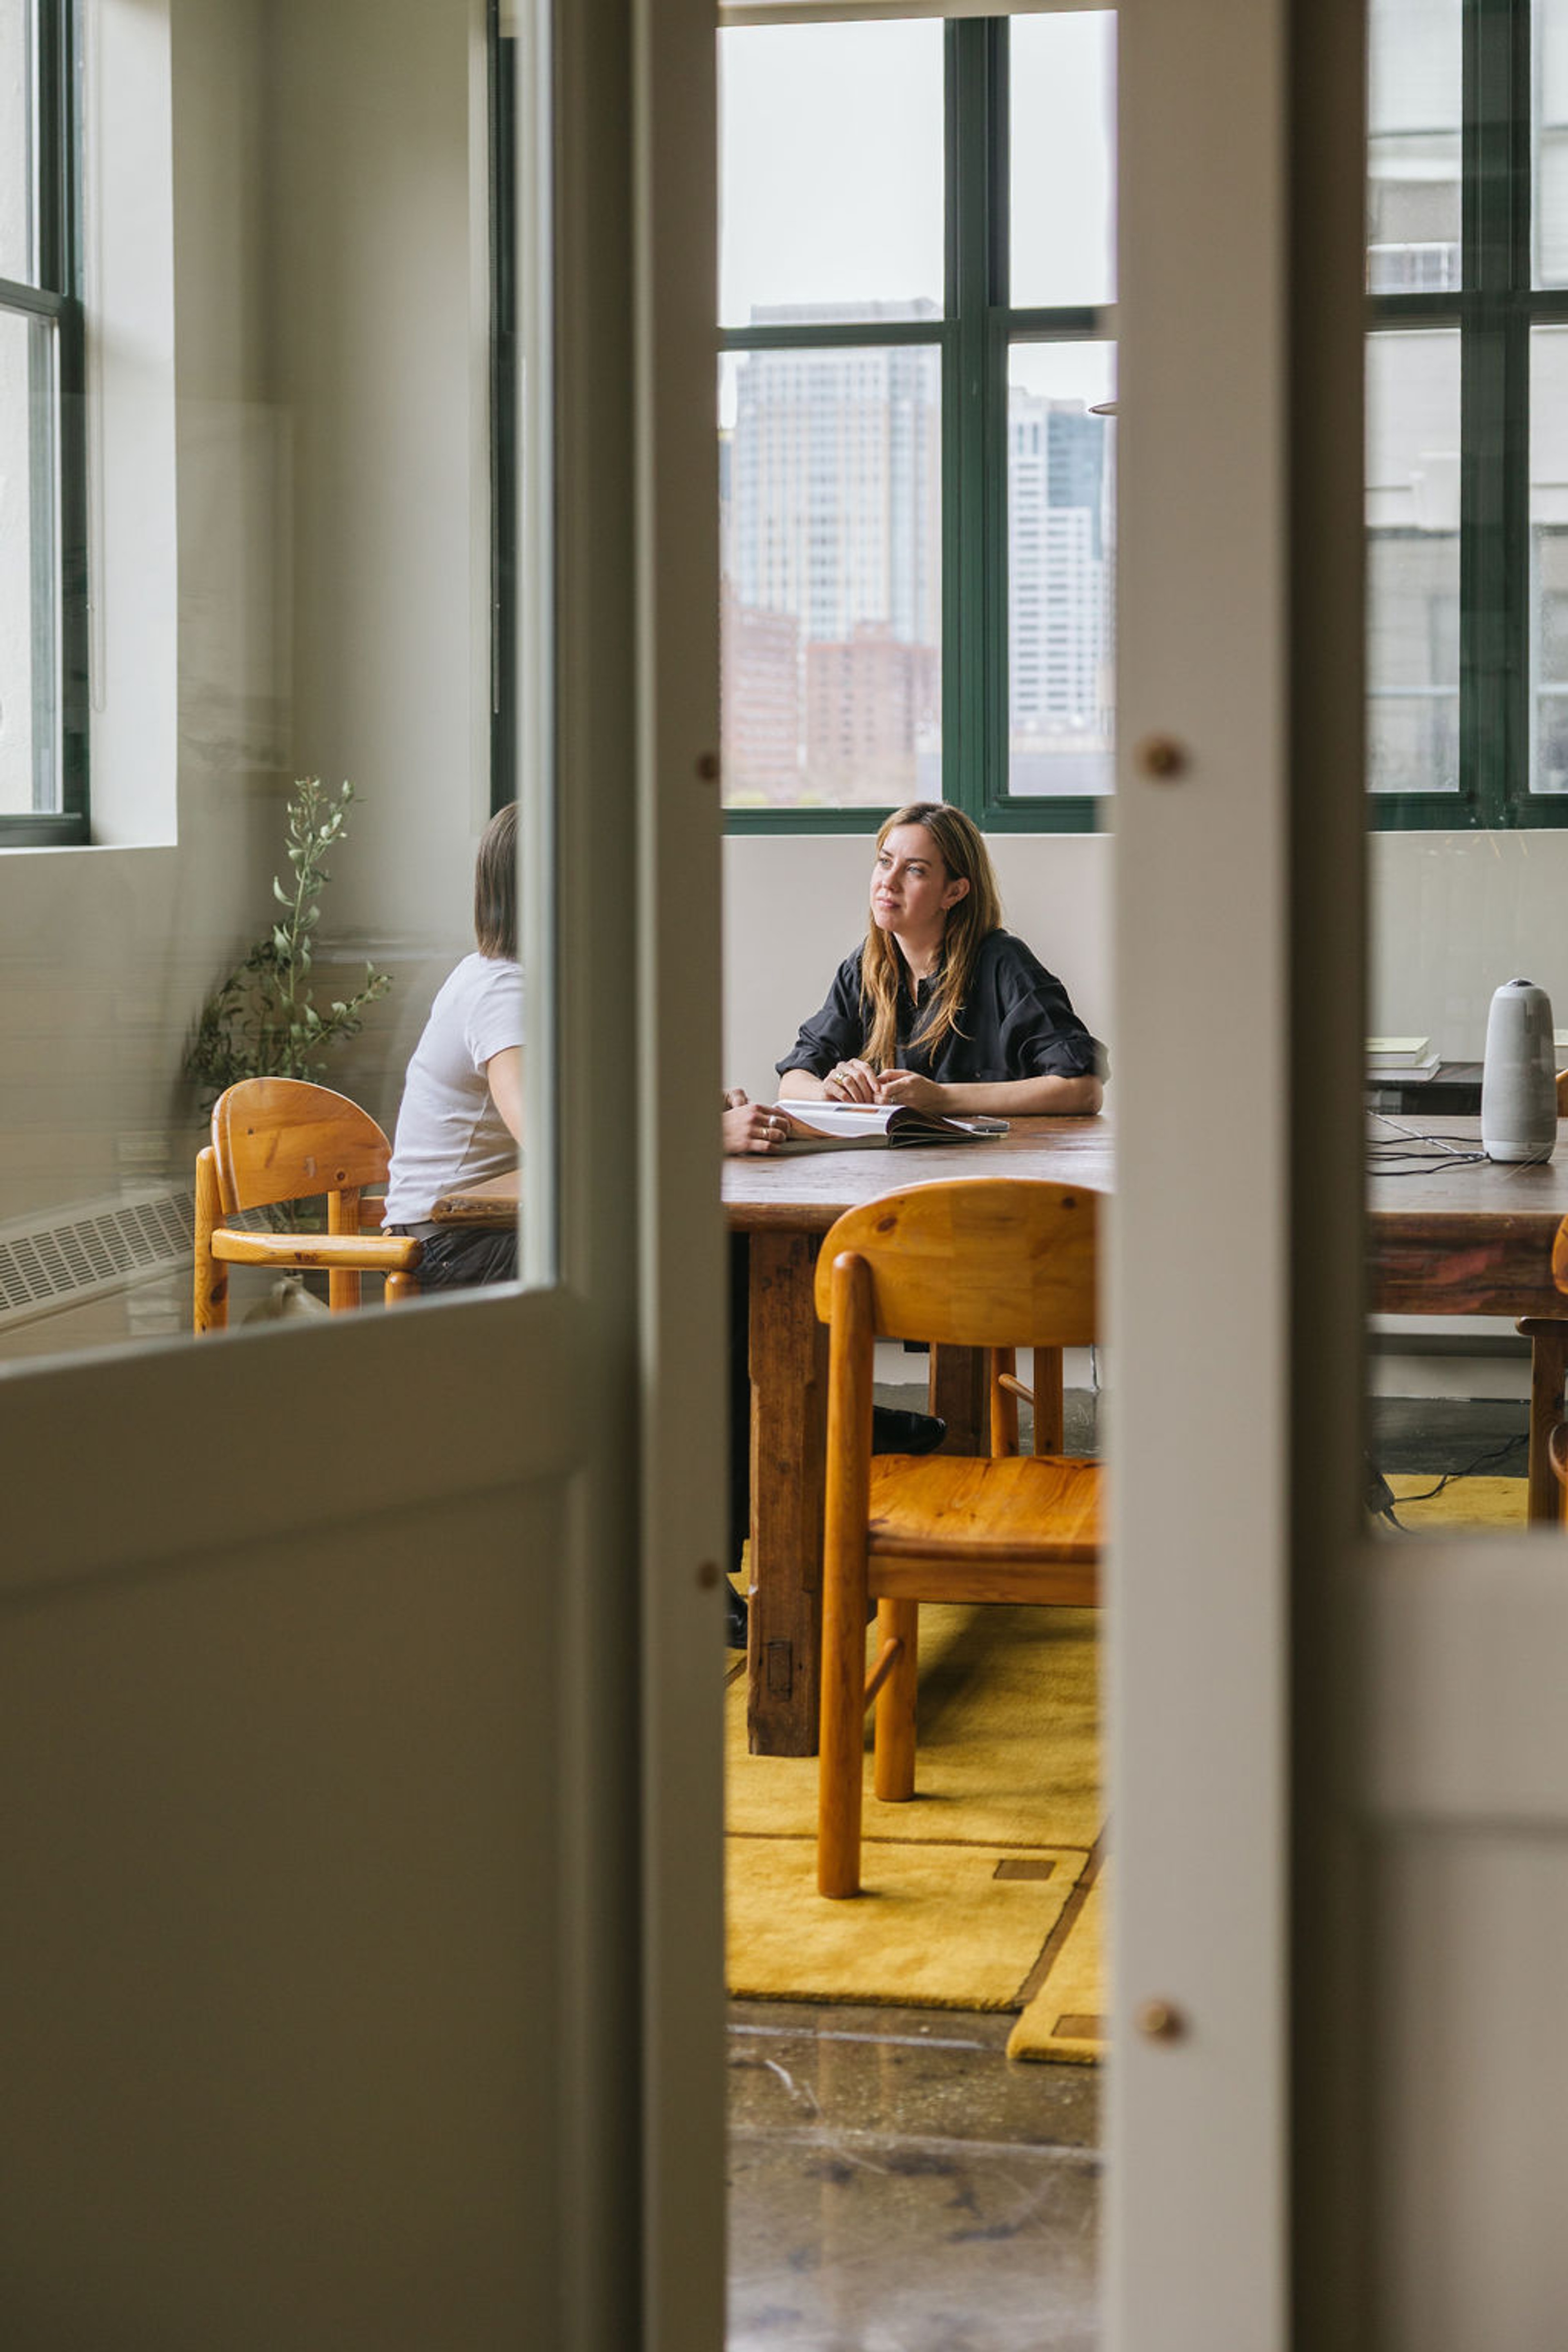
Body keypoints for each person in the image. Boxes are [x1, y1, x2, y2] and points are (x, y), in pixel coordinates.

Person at [776, 801, 1106, 1118]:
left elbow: (1084, 1089)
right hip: (895, 1172)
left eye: (915, 870)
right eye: (885, 862)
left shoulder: (1003, 962)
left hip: (995, 1168)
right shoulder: (865, 967)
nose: (888, 883)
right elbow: (793, 1082)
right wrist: (831, 1092)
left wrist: (943, 1097)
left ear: (954, 892)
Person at [383, 803, 525, 1286]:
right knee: (679, 1259)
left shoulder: (496, 976)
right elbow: (553, 1142)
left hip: (471, 1233)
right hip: (446, 1247)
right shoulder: (507, 993)